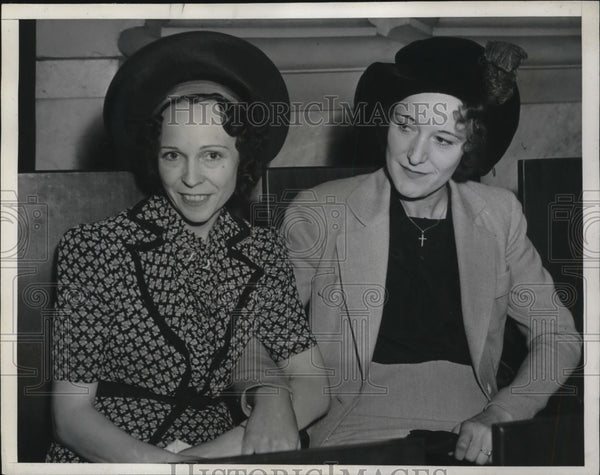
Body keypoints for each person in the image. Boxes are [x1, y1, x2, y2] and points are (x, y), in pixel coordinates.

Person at [283, 37, 581, 465]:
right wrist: (272, 409)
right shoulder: (320, 212)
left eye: (443, 139)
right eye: (405, 126)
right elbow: (257, 334)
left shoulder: (499, 216)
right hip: (353, 433)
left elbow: (558, 337)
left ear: (468, 148)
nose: (415, 156)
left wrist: (503, 411)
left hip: (474, 433)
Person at [47, 31, 329, 463]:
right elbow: (71, 416)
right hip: (112, 456)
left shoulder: (263, 252)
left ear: (243, 159)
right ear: (154, 156)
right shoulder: (92, 248)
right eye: (173, 156)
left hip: (223, 450)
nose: (191, 178)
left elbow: (313, 384)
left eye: (213, 155)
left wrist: (213, 455)